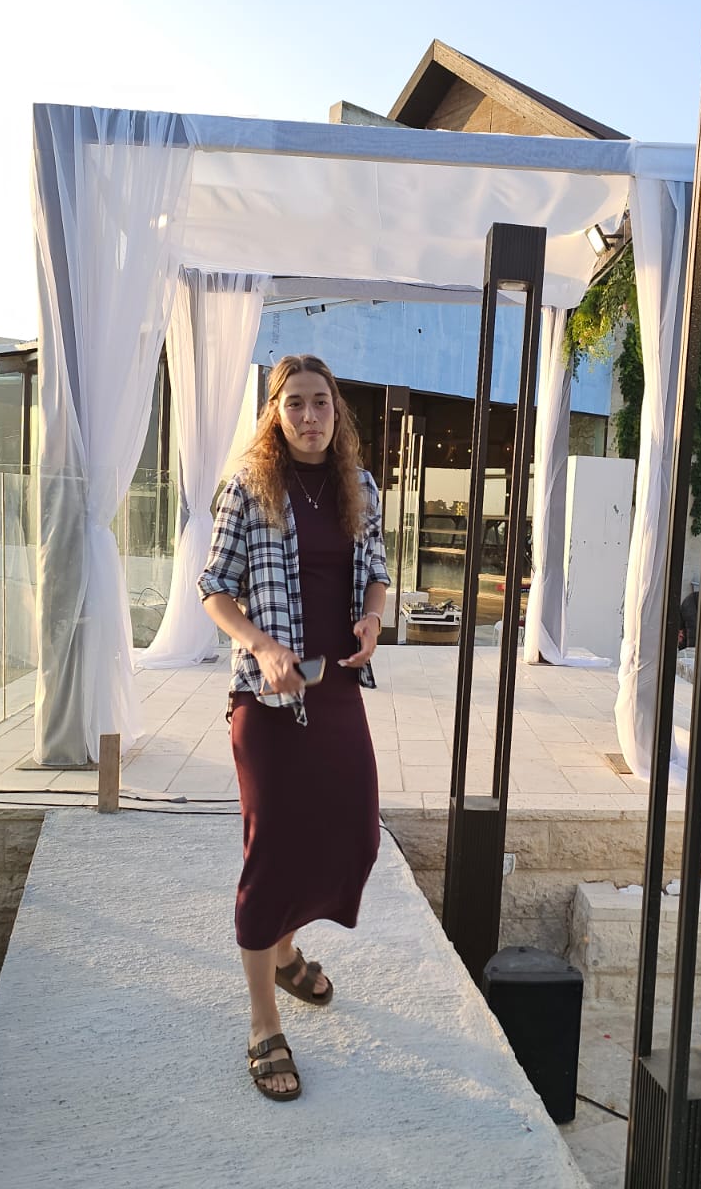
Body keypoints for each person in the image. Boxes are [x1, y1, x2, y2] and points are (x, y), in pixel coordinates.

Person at [198, 353, 390, 1103]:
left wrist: (372, 617)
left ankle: (282, 951)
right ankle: (263, 1021)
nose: (310, 417)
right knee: (273, 853)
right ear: (275, 414)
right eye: (296, 404)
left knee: (355, 833)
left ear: (337, 412)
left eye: (322, 403)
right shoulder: (248, 488)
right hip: (267, 700)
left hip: (336, 688)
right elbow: (215, 588)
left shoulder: (359, 486)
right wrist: (262, 646)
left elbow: (376, 570)